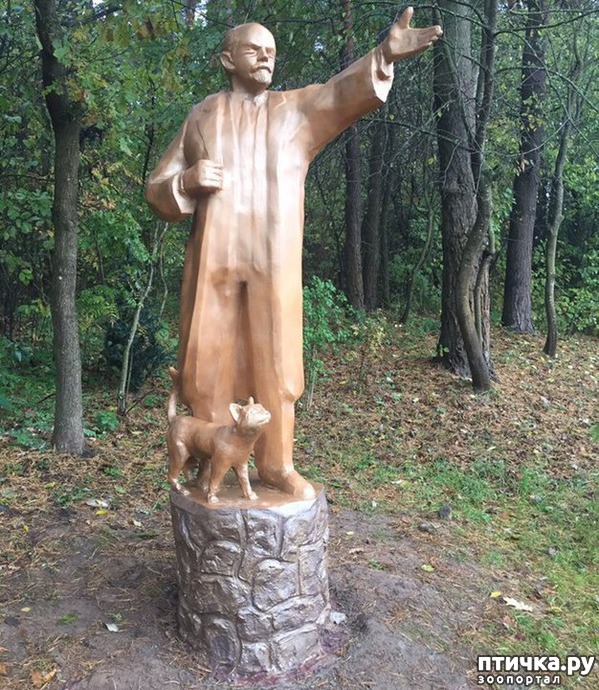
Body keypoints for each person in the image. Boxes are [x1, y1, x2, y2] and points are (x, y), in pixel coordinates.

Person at [146, 7, 442, 500]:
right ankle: (210, 463)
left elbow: (339, 94)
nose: (266, 57)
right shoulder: (200, 117)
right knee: (205, 362)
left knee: (277, 364)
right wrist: (186, 182)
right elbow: (158, 186)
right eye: (253, 49)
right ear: (227, 59)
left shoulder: (295, 111)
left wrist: (384, 54)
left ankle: (277, 465)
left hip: (273, 258)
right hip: (214, 257)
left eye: (271, 51)